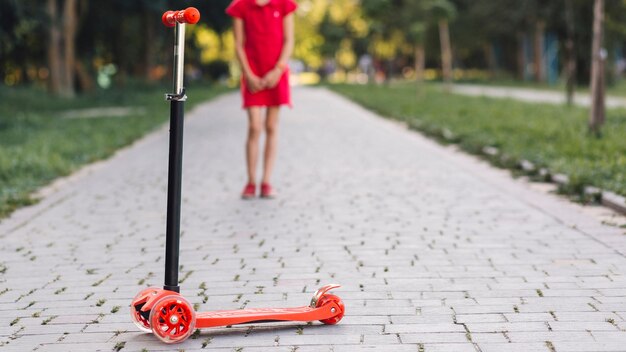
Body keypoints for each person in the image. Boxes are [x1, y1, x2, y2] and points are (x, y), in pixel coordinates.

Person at [226, 0, 297, 199]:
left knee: (272, 126)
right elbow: (239, 45)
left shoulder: (284, 4)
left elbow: (289, 40)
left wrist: (278, 69)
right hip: (252, 73)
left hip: (277, 72)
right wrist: (248, 74)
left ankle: (266, 181)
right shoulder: (240, 6)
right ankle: (250, 182)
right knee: (255, 126)